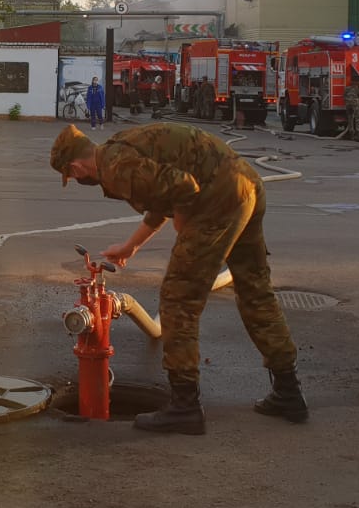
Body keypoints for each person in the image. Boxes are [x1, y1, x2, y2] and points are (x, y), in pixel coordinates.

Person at [50, 121, 306, 434]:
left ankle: (184, 406)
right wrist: (132, 245)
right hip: (245, 183)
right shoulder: (118, 148)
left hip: (217, 197)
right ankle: (288, 391)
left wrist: (185, 223)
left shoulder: (116, 167)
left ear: (75, 167)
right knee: (255, 289)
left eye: (71, 175)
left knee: (178, 299)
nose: (77, 179)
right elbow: (161, 194)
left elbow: (183, 187)